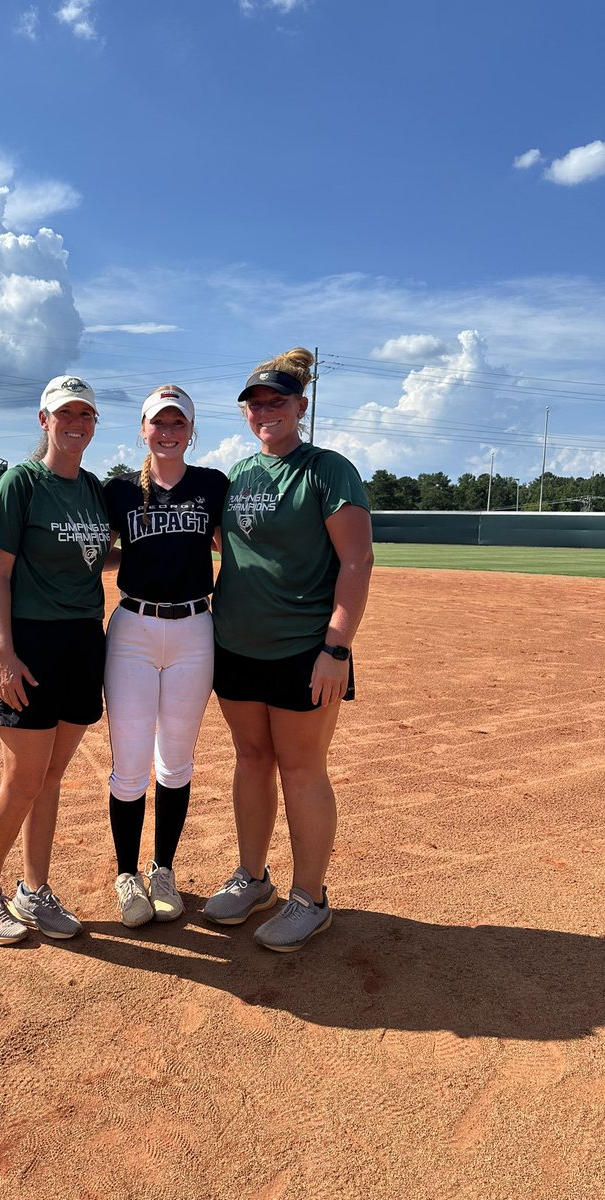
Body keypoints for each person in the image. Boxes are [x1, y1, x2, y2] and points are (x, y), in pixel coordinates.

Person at [204, 348, 373, 953]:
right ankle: (253, 878)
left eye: (277, 401)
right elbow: (230, 546)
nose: (264, 411)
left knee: (302, 769)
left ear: (301, 406)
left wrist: (337, 648)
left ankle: (310, 898)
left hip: (305, 650)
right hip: (235, 645)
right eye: (255, 404)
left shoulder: (328, 470)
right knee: (251, 759)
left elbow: (357, 560)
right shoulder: (239, 475)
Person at [0, 375, 111, 946]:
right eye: (64, 413)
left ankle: (35, 890)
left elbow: (97, 553)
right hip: (30, 643)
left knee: (51, 777)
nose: (76, 422)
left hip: (82, 640)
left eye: (85, 414)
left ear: (94, 424)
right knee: (22, 780)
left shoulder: (93, 488)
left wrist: (166, 552)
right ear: (44, 420)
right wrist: (4, 652)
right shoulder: (20, 483)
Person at [103, 385, 227, 927]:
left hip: (194, 629)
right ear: (143, 429)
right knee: (130, 766)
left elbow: (235, 545)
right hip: (132, 628)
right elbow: (95, 548)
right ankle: (126, 874)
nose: (168, 432)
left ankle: (163, 871)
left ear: (191, 431)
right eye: (159, 422)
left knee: (175, 762)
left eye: (178, 423)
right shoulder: (119, 490)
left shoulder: (212, 485)